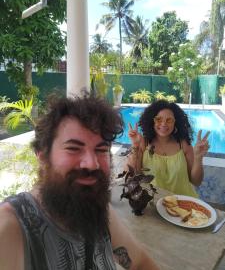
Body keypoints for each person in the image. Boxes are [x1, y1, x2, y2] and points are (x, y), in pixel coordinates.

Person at [0, 94, 159, 270]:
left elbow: (140, 262)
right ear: (43, 156)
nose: (91, 164)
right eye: (73, 148)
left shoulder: (97, 211)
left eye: (101, 149)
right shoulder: (11, 228)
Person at [125, 99, 210, 197]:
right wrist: (135, 145)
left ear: (175, 123)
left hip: (183, 204)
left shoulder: (183, 145)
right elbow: (131, 176)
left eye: (169, 120)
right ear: (152, 121)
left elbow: (196, 182)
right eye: (158, 119)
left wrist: (198, 158)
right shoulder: (144, 143)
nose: (164, 124)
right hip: (153, 203)